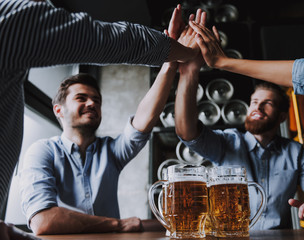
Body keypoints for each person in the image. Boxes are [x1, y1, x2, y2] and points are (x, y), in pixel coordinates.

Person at [0, 0, 199, 238]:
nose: (92, 103)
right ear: (58, 110)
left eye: (96, 99)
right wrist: (118, 225)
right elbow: (43, 221)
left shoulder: (110, 151)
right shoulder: (41, 151)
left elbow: (143, 123)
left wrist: (171, 65)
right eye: (81, 98)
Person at [174, 45, 304, 228]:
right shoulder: (228, 142)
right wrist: (189, 73)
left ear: (282, 116)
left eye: (267, 104)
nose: (257, 108)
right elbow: (186, 131)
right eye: (254, 102)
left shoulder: (296, 153)